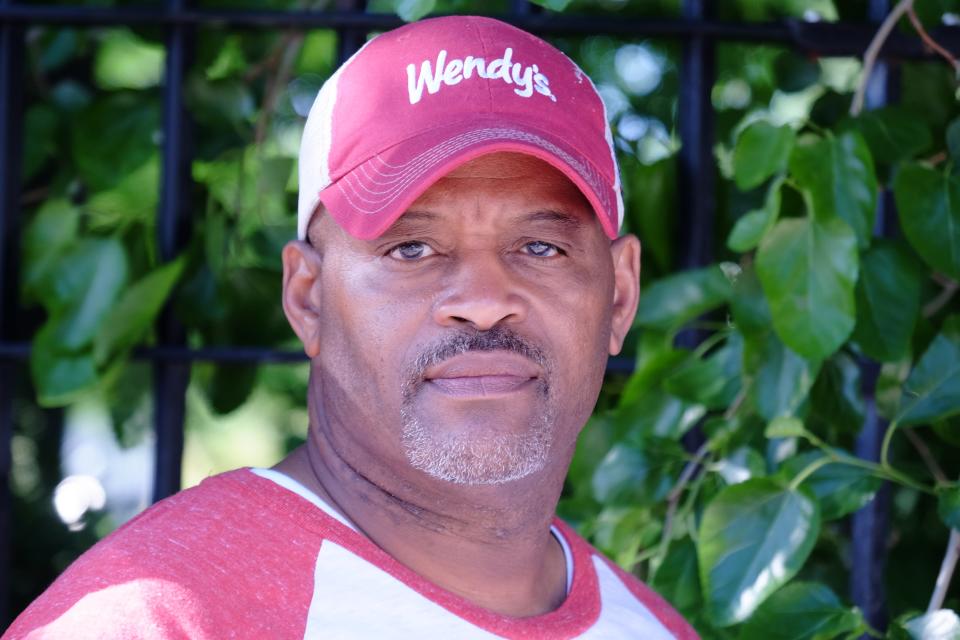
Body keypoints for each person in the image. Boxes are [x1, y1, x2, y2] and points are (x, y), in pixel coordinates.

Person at [6, 15, 698, 639]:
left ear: (619, 296)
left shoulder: (657, 631)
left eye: (540, 247)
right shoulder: (157, 620)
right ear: (308, 298)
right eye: (411, 249)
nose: (484, 301)